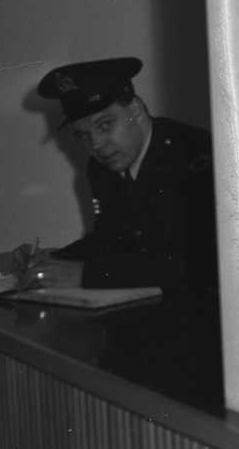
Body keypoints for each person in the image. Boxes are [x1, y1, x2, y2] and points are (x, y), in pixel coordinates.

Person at [22, 56, 218, 292]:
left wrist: (88, 276)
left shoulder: (197, 156)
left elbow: (201, 261)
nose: (96, 145)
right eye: (83, 136)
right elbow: (111, 239)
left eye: (105, 125)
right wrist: (54, 259)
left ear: (136, 110)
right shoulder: (101, 168)